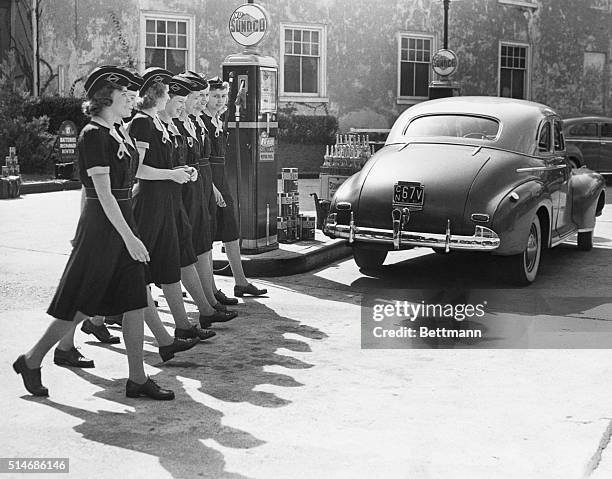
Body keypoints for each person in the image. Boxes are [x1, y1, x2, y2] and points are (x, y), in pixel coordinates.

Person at [13, 66, 177, 399]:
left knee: (134, 298)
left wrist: (132, 231)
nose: (131, 99)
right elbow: (102, 194)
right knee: (80, 305)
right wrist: (130, 237)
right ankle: (31, 360)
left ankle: (137, 378)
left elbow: (124, 187)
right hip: (104, 228)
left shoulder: (117, 131)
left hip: (121, 221)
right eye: (126, 95)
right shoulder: (92, 135)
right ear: (107, 98)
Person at [129, 69, 234, 340]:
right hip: (151, 202)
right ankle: (99, 316)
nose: (174, 102)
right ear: (157, 95)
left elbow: (166, 161)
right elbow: (137, 170)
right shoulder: (142, 123)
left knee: (180, 257)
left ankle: (189, 322)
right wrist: (173, 174)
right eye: (171, 96)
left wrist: (183, 170)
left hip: (170, 198)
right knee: (135, 269)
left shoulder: (159, 123)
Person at [201, 77, 268, 304]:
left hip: (222, 179)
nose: (219, 101)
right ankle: (209, 289)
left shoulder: (219, 119)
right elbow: (198, 159)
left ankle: (241, 282)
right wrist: (211, 187)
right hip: (208, 179)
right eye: (214, 96)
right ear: (205, 97)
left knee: (230, 230)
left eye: (222, 96)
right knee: (206, 237)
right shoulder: (200, 121)